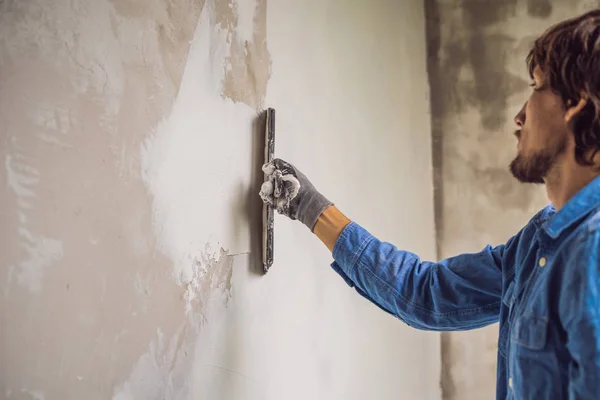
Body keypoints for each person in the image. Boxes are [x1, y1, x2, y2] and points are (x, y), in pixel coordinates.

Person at [259, 9, 600, 400]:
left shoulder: (592, 250)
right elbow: (428, 294)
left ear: (575, 102)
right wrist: (308, 205)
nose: (519, 115)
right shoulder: (537, 244)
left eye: (536, 87)